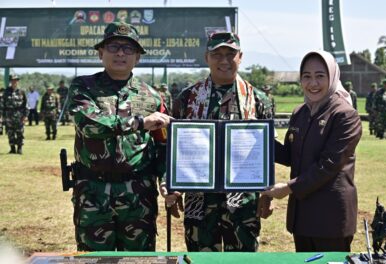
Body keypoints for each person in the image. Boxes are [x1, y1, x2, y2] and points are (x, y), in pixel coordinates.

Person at [67, 22, 171, 251]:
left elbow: (163, 145)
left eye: (128, 48)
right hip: (93, 191)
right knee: (94, 257)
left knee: (138, 258)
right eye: (114, 47)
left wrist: (167, 179)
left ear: (138, 57)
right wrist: (140, 123)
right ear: (100, 53)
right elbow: (89, 124)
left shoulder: (153, 97)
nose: (121, 53)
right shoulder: (83, 87)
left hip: (138, 194)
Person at [172, 32, 273, 252]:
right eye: (217, 54)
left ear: (241, 56)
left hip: (243, 200)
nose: (224, 60)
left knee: (242, 257)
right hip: (199, 199)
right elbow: (174, 149)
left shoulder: (258, 99)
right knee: (201, 256)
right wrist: (173, 186)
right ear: (206, 57)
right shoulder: (187, 98)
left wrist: (267, 192)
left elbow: (266, 150)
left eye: (230, 54)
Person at [262, 50, 361, 252]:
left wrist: (288, 188)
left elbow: (328, 166)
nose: (312, 83)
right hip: (303, 217)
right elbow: (290, 155)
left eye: (320, 76)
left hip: (330, 219)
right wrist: (259, 139)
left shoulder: (344, 115)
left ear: (332, 76)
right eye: (306, 76)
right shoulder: (301, 112)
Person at [2, 75, 28, 154]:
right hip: (9, 115)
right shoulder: (6, 92)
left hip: (19, 115)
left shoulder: (21, 91)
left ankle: (19, 148)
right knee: (10, 132)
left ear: (17, 81)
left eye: (16, 80)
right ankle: (12, 148)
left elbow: (25, 105)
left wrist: (25, 116)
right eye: (13, 80)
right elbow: (2, 104)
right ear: (10, 81)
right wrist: (2, 116)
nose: (14, 82)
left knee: (20, 132)